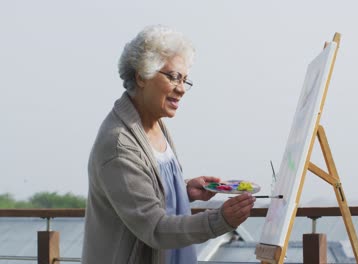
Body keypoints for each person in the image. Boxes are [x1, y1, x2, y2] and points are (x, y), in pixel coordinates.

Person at [82, 25, 256, 264]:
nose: (182, 89)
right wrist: (220, 220)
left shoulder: (154, 123)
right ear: (142, 76)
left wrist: (183, 191)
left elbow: (144, 192)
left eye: (185, 80)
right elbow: (154, 227)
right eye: (173, 77)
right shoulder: (118, 145)